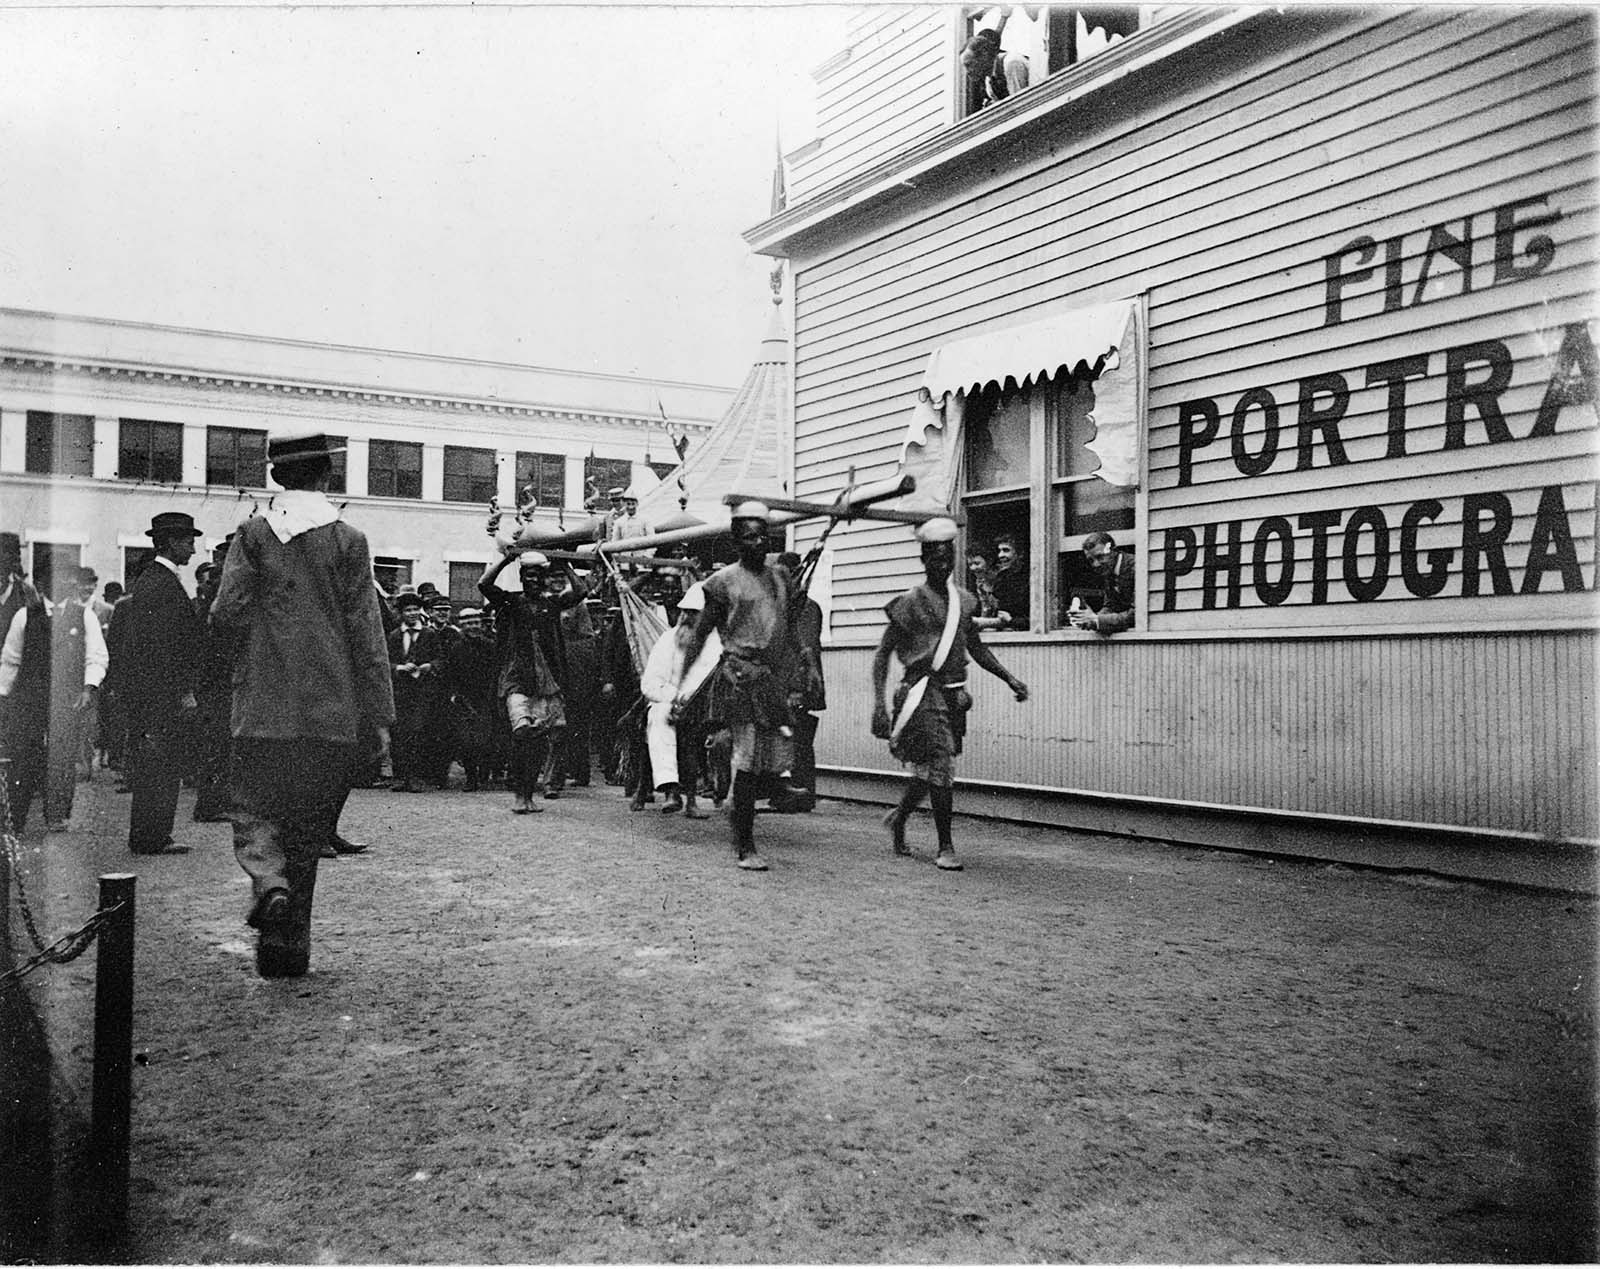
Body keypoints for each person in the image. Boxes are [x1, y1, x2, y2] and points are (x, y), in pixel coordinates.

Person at [210, 429, 393, 978]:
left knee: (254, 809)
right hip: (329, 715)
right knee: (308, 834)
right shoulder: (350, 540)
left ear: (276, 478)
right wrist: (379, 715)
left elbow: (226, 614)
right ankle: (290, 953)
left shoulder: (253, 534)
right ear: (327, 476)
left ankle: (269, 885)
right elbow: (367, 633)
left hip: (262, 710)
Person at [871, 516, 1029, 870]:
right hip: (920, 694)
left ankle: (899, 819)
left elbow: (976, 648)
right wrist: (878, 705)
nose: (942, 564)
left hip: (954, 696)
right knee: (942, 765)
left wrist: (1010, 678)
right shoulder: (907, 603)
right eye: (935, 557)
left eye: (948, 557)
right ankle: (946, 846)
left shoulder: (965, 601)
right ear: (923, 559)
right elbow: (883, 654)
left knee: (930, 770)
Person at [673, 501, 804, 871]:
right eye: (749, 537)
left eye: (763, 535)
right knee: (746, 762)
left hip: (770, 678)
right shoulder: (722, 582)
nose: (758, 543)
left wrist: (803, 661)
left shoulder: (779, 577)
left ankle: (743, 801)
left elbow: (790, 628)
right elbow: (700, 636)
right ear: (736, 542)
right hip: (739, 678)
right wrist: (684, 680)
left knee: (774, 758)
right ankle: (744, 844)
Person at [477, 548, 590, 813]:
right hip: (517, 677)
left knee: (539, 741)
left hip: (547, 680)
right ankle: (519, 796)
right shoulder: (510, 601)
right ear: (522, 577)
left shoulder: (551, 603)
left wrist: (564, 564)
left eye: (538, 576)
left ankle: (529, 795)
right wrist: (507, 558)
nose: (534, 580)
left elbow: (581, 591)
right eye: (528, 576)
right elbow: (484, 583)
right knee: (521, 735)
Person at [0, 557, 108, 831]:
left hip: (67, 698)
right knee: (23, 756)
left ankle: (57, 815)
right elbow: (10, 660)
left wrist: (88, 688)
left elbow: (96, 657)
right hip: (29, 698)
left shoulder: (84, 616)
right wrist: (4, 696)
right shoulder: (25, 615)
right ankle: (17, 818)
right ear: (41, 583)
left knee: (61, 755)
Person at [119, 511, 205, 854]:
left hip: (152, 693)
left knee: (156, 763)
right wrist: (184, 691)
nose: (193, 549)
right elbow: (165, 647)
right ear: (170, 543)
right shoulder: (161, 585)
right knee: (161, 763)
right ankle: (151, 837)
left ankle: (151, 834)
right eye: (188, 542)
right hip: (161, 695)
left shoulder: (153, 581)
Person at [639, 581, 720, 819]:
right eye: (684, 611)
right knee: (660, 715)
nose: (686, 617)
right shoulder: (668, 640)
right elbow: (650, 683)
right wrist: (674, 697)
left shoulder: (720, 643)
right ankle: (670, 789)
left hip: (709, 708)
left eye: (694, 613)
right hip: (673, 703)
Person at [0, 533, 48, 831]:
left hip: (15, 691)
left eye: (14, 557)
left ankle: (13, 820)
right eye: (8, 556)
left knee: (17, 755)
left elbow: (38, 642)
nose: (13, 562)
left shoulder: (27, 595)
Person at [775, 552, 825, 811]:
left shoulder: (805, 607)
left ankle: (801, 797)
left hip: (799, 685)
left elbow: (804, 649)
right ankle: (792, 795)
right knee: (789, 738)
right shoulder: (786, 604)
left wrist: (796, 688)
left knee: (799, 741)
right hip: (784, 683)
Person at [387, 592, 448, 793]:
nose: (412, 614)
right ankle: (399, 776)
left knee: (418, 731)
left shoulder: (429, 634)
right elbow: (386, 662)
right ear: (401, 613)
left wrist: (428, 666)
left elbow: (440, 659)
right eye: (408, 610)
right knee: (399, 732)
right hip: (401, 691)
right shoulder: (395, 636)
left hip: (423, 691)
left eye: (415, 610)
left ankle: (415, 776)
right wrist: (398, 668)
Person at [1066, 531, 1136, 634]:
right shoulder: (1109, 570)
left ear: (1114, 551)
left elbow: (1137, 614)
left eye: (1100, 557)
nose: (1096, 565)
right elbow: (1111, 606)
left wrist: (1097, 620)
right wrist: (1089, 619)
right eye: (1090, 560)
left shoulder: (1136, 566)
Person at [991, 533, 1029, 630]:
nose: (1001, 555)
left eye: (1006, 550)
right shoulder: (1001, 577)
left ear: (1020, 554)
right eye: (999, 551)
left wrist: (1012, 620)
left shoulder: (1030, 578)